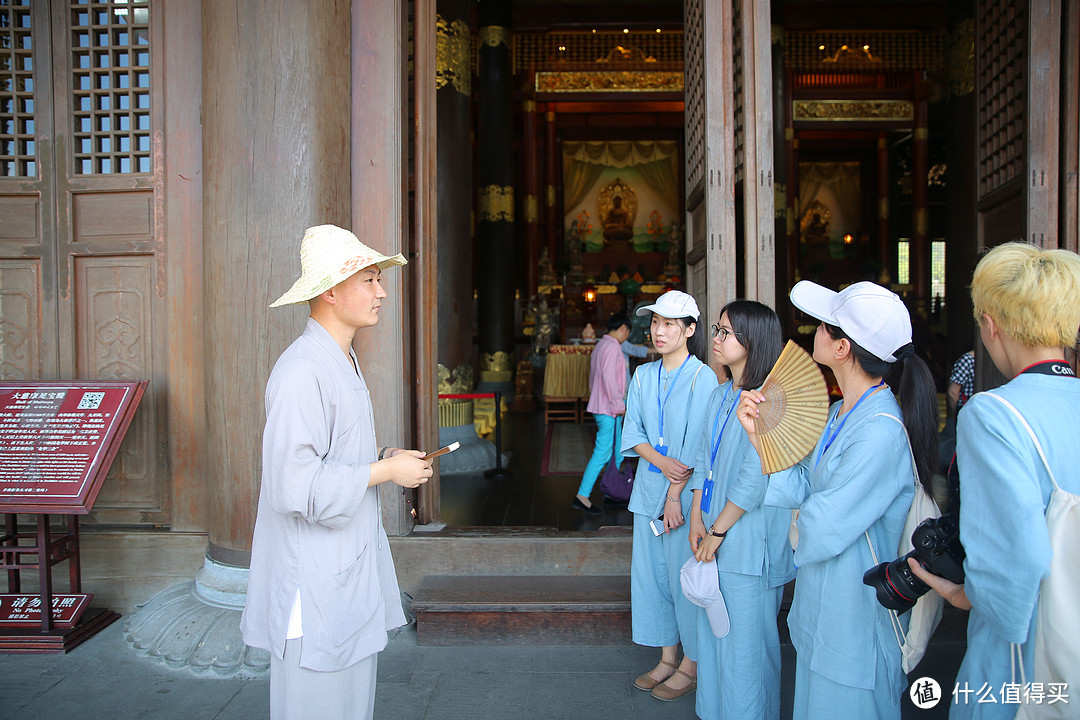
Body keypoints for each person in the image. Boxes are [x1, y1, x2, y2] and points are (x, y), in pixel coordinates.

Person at [240, 225, 434, 720]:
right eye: (369, 279)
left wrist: (386, 457)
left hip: (343, 565)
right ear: (330, 290)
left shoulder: (341, 359)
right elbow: (295, 486)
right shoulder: (302, 370)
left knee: (350, 704)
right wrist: (387, 469)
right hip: (313, 581)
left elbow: (334, 456)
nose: (382, 292)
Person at [737, 280, 939, 720]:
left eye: (823, 326)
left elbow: (822, 525)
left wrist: (797, 518)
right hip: (823, 610)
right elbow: (805, 488)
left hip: (855, 621)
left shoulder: (880, 431)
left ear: (843, 348)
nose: (814, 332)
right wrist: (758, 439)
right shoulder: (840, 413)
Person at [908, 242, 1080, 720]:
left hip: (1020, 660)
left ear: (990, 324)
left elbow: (1015, 560)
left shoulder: (994, 413)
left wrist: (963, 594)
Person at [687, 300, 797, 720]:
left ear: (752, 341)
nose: (715, 340)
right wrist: (698, 517)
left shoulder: (771, 400)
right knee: (715, 645)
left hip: (749, 543)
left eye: (725, 333)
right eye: (716, 330)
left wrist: (716, 532)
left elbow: (756, 479)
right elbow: (702, 458)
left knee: (746, 654)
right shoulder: (720, 394)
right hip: (713, 530)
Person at [621, 290, 718, 701]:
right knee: (653, 579)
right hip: (648, 492)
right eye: (655, 323)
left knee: (685, 581)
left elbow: (700, 445)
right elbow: (634, 433)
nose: (658, 332)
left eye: (669, 325)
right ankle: (666, 656)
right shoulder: (643, 375)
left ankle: (691, 664)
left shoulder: (704, 377)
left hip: (685, 499)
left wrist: (675, 495)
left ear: (690, 330)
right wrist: (660, 464)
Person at [573, 312, 632, 515]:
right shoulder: (613, 347)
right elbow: (609, 379)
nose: (626, 337)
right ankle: (582, 496)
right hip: (609, 408)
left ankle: (612, 491)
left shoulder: (601, 345)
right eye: (627, 333)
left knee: (616, 450)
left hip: (604, 406)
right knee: (603, 452)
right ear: (623, 328)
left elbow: (593, 378)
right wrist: (618, 405)